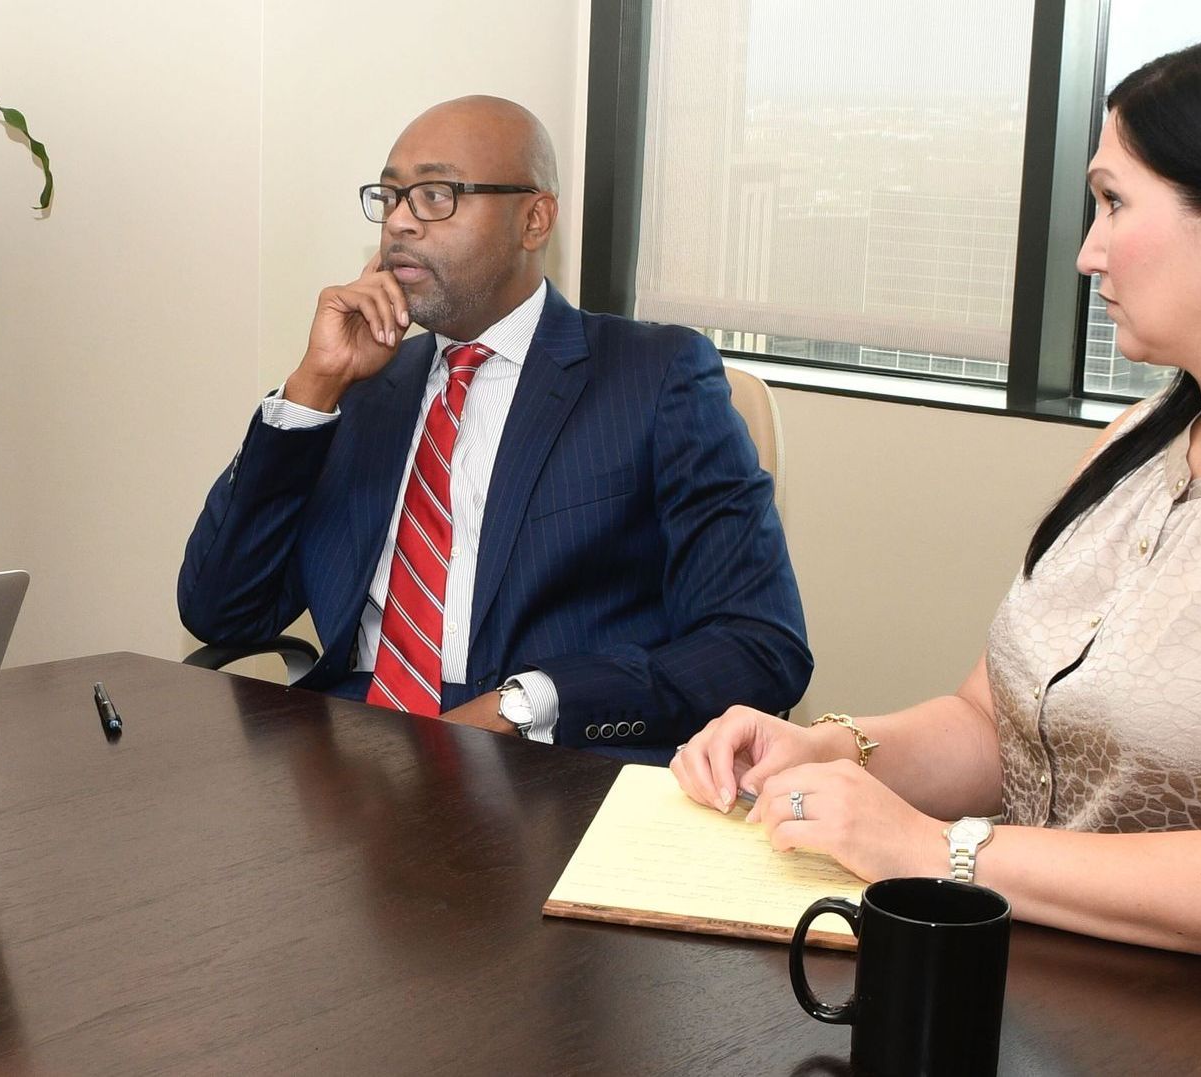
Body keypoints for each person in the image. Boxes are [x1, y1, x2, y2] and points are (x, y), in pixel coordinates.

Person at [672, 35, 1201, 962]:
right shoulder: (1131, 449)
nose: (1087, 254)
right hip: (1034, 966)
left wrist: (945, 850)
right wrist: (834, 748)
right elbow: (995, 725)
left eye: (1113, 203)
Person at [178, 96, 810, 753]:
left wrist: (527, 704)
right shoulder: (361, 392)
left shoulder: (653, 376)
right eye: (390, 196)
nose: (399, 222)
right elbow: (222, 610)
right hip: (352, 758)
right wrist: (312, 388)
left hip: (547, 763)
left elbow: (759, 646)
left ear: (533, 219)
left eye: (435, 194)